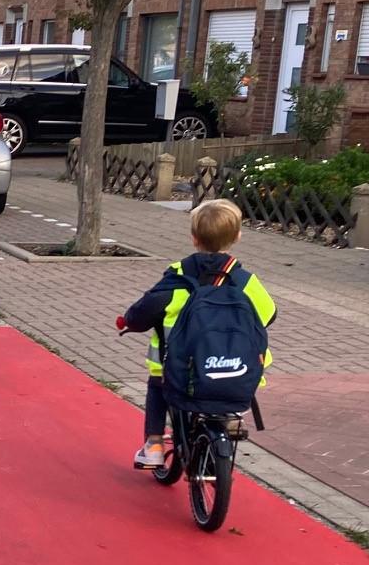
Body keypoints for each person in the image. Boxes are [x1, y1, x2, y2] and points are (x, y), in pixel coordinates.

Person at [117, 199, 278, 471]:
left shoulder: (178, 279)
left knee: (158, 386)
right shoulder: (245, 281)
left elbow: (145, 311)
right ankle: (231, 418)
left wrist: (129, 322)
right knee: (233, 383)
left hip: (177, 366)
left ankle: (154, 445)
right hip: (233, 366)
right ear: (237, 237)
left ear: (194, 239)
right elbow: (269, 314)